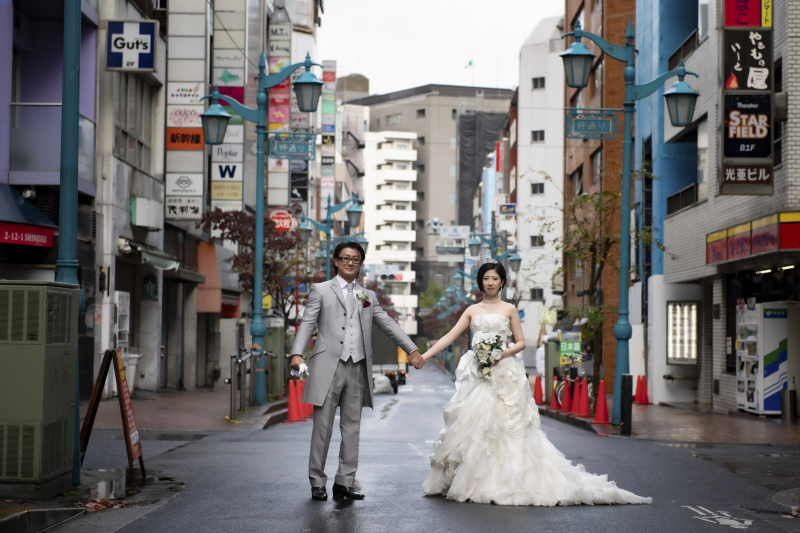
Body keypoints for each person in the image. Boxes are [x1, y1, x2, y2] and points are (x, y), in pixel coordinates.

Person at [414, 259, 652, 506]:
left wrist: (500, 353)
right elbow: (449, 336)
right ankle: (474, 478)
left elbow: (520, 342)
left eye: (495, 278)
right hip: (478, 374)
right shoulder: (471, 310)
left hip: (504, 373)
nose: (490, 282)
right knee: (476, 425)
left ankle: (506, 479)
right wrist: (423, 356)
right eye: (486, 278)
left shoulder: (509, 309)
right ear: (480, 282)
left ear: (502, 282)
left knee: (507, 427)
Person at [289, 242, 424, 502]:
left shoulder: (367, 295)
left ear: (360, 263)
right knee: (322, 429)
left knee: (352, 429)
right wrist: (297, 353)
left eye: (355, 259)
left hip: (357, 367)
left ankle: (344, 482)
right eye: (345, 258)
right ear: (336, 261)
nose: (350, 262)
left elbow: (388, 324)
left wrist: (412, 349)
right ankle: (317, 482)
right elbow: (307, 322)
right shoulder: (321, 290)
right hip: (327, 366)